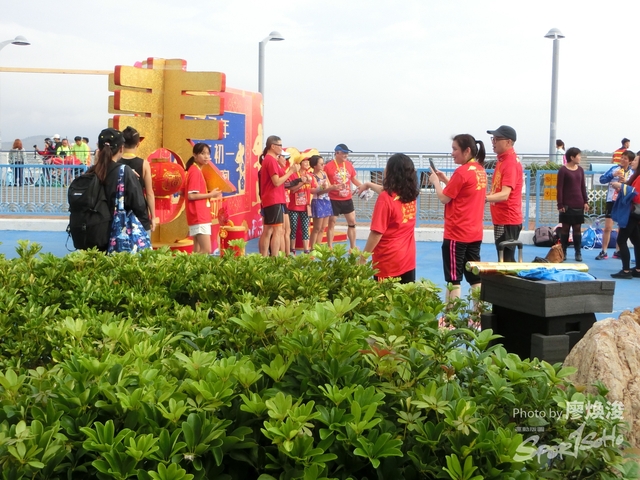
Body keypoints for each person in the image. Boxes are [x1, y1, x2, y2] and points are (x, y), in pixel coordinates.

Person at [429, 134, 487, 302]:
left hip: (457, 233)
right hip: (474, 232)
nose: (452, 153)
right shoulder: (480, 170)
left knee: (453, 279)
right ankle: (478, 313)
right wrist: (445, 179)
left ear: (466, 150)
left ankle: (450, 315)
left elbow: (444, 198)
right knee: (475, 277)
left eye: (455, 149)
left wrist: (436, 182)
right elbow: (463, 192)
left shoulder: (461, 172)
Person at [358, 153, 419, 283]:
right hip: (408, 259)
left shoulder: (385, 199)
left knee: (385, 295)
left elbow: (376, 233)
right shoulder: (410, 195)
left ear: (392, 172)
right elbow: (385, 191)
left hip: (388, 261)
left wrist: (363, 258)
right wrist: (368, 184)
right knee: (406, 294)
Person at [86, 128, 147, 251]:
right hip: (117, 237)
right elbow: (139, 205)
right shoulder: (125, 172)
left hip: (93, 235)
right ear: (121, 148)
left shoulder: (90, 172)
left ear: (99, 148)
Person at [485, 125, 523, 262]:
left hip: (508, 219)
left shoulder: (510, 163)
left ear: (508, 142)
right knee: (503, 258)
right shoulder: (503, 160)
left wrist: (484, 198)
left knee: (506, 261)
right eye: (493, 139)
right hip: (502, 218)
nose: (493, 142)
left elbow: (505, 194)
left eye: (497, 139)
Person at [258, 135, 300, 256]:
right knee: (277, 230)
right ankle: (274, 258)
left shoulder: (271, 160)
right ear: (273, 146)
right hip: (274, 199)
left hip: (273, 199)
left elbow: (285, 181)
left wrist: (288, 169)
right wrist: (291, 171)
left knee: (269, 230)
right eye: (280, 145)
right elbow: (276, 182)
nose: (281, 148)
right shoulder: (270, 160)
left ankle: (264, 257)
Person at [595, 150, 634, 260]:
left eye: (625, 158)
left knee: (621, 227)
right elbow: (602, 179)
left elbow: (634, 187)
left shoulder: (632, 173)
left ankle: (618, 251)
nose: (622, 160)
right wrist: (613, 175)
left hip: (624, 201)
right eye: (622, 157)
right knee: (608, 227)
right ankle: (604, 251)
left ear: (630, 161)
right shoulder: (614, 169)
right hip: (611, 200)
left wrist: (625, 181)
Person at [118, 126, 157, 237]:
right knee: (143, 245)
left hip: (120, 211)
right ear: (138, 143)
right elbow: (149, 193)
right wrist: (153, 217)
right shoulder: (144, 164)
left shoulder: (116, 163)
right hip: (140, 212)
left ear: (122, 143)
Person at [184, 143, 222, 254]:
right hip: (199, 215)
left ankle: (188, 265)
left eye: (208, 154)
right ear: (195, 155)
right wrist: (211, 195)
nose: (206, 156)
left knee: (197, 251)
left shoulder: (193, 170)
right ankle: (185, 263)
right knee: (206, 250)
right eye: (202, 153)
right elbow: (191, 195)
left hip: (197, 215)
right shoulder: (195, 171)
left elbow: (184, 192)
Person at [324, 143, 362, 250]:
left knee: (352, 222)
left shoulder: (349, 165)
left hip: (347, 198)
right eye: (344, 153)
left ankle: (353, 247)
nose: (346, 155)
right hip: (333, 199)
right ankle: (330, 247)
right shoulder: (328, 166)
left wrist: (363, 187)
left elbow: (353, 179)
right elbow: (325, 182)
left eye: (347, 153)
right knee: (332, 223)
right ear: (337, 153)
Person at [609, 152, 640, 279]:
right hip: (634, 213)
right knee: (636, 240)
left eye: (635, 160)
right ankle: (638, 269)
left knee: (621, 240)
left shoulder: (638, 177)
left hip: (633, 213)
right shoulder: (636, 176)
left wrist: (621, 186)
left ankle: (626, 270)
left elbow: (636, 195)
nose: (633, 162)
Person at [556, 147, 589, 262]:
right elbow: (559, 188)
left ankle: (578, 252)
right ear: (572, 157)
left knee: (577, 228)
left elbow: (582, 186)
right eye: (578, 156)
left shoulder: (580, 170)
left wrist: (585, 201)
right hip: (566, 204)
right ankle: (563, 251)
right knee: (565, 228)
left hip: (578, 203)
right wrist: (560, 204)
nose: (580, 158)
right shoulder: (563, 170)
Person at [309, 155, 338, 248]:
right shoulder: (312, 176)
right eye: (321, 164)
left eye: (323, 163)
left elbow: (329, 186)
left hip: (326, 200)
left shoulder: (324, 173)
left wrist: (336, 187)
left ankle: (318, 247)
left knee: (322, 228)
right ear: (315, 165)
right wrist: (328, 188)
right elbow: (317, 191)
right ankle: (312, 248)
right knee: (317, 228)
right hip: (318, 201)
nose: (323, 165)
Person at [287, 157, 313, 253]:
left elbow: (313, 188)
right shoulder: (293, 175)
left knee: (305, 228)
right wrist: (302, 183)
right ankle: (292, 249)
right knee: (293, 228)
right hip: (294, 206)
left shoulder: (310, 175)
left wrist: (323, 187)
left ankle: (306, 250)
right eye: (304, 162)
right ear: (299, 163)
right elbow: (292, 189)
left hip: (306, 207)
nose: (307, 163)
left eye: (308, 162)